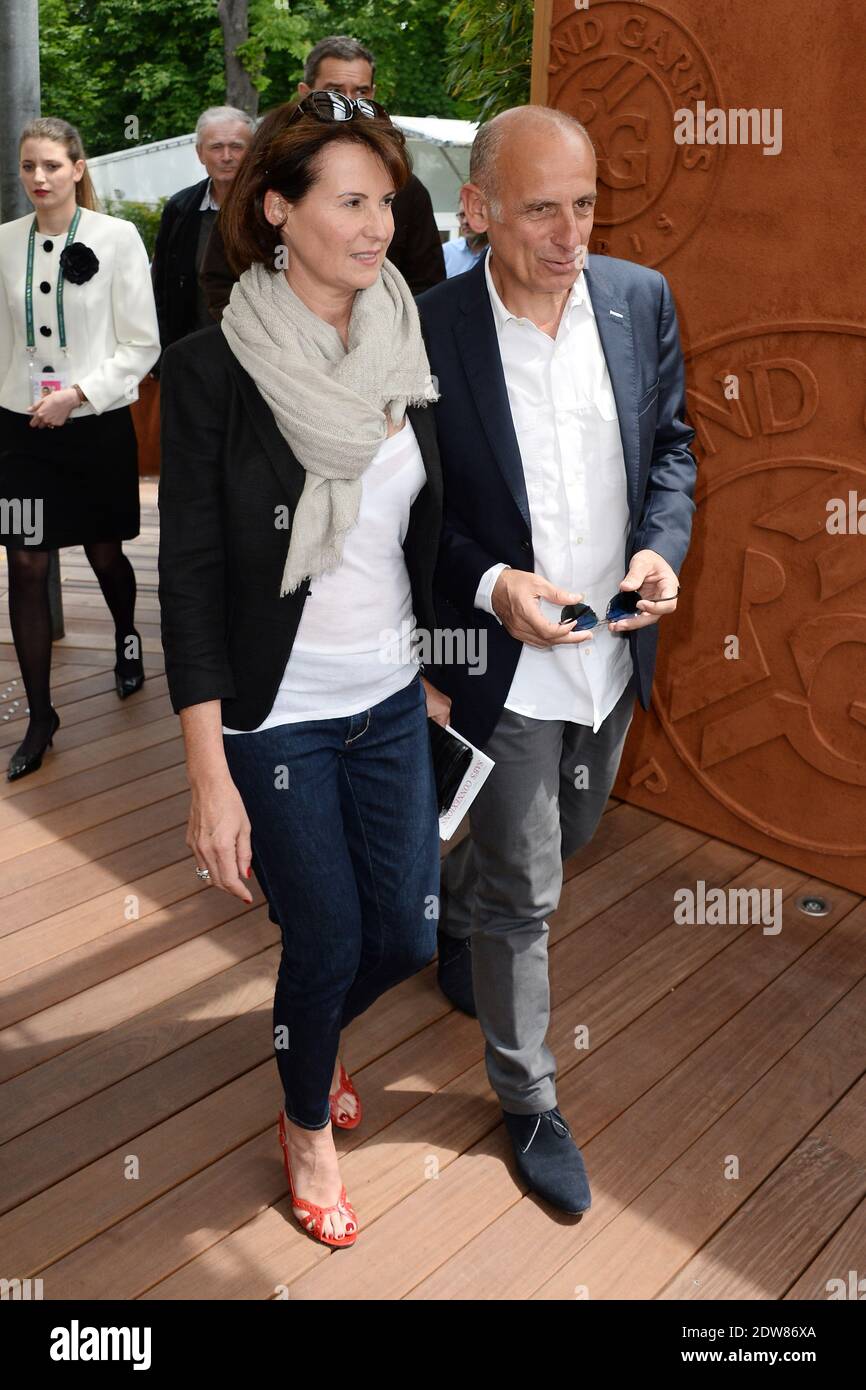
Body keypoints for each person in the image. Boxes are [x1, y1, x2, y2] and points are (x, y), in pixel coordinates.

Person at [157, 93, 449, 1248]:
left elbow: (431, 522)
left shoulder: (405, 337)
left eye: (385, 200)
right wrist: (205, 771)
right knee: (326, 935)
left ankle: (313, 1036)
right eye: (348, 200)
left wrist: (432, 660)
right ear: (278, 211)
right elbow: (187, 574)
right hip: (274, 715)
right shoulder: (211, 370)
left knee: (411, 933)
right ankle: (304, 1118)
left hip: (386, 697)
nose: (376, 223)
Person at [417, 106, 697, 1215]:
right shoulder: (425, 327)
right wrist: (489, 586)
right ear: (477, 209)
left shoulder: (638, 300)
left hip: (611, 658)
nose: (568, 232)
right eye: (539, 208)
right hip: (503, 664)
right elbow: (403, 514)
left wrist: (657, 547)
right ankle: (527, 1097)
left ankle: (449, 915)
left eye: (583, 204)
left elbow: (671, 448)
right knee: (528, 892)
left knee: (564, 837)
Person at [0, 117, 161, 781]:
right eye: (29, 167)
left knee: (104, 551)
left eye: (51, 166)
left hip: (93, 426)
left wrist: (80, 393)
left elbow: (142, 341)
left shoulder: (117, 238)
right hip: (17, 430)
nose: (39, 178)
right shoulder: (2, 243)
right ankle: (41, 714)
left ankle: (127, 638)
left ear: (77, 167)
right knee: (26, 563)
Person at [199, 34, 446, 316]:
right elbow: (220, 279)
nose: (348, 104)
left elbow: (427, 286)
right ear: (305, 93)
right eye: (335, 92)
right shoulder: (265, 174)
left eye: (361, 92)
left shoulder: (408, 188)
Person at [150, 106, 255, 360]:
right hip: (193, 350)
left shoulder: (269, 207)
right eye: (216, 147)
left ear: (252, 152)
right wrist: (164, 349)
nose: (226, 156)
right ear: (200, 153)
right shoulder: (180, 207)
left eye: (237, 147)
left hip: (256, 352)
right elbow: (161, 284)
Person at [443, 202, 488, 277]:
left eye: (473, 215)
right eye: (462, 215)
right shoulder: (446, 252)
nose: (465, 221)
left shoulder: (499, 253)